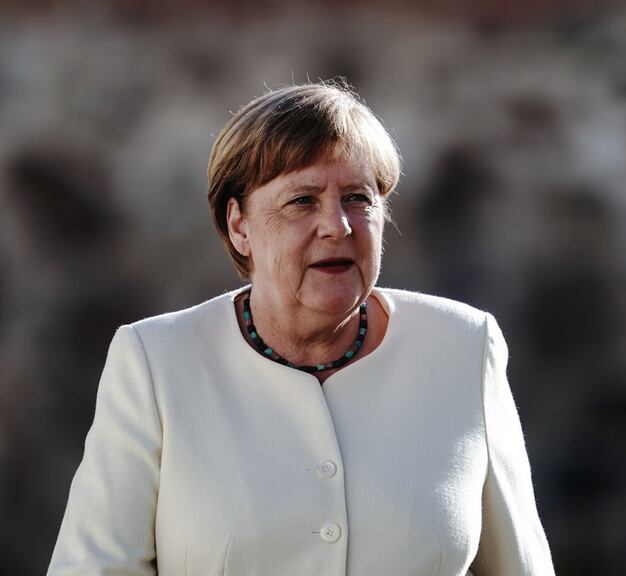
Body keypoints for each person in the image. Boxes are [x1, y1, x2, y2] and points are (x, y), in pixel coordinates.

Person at [48, 81, 555, 575]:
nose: (338, 225)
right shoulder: (155, 362)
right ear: (238, 225)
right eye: (302, 201)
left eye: (358, 198)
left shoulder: (463, 347)